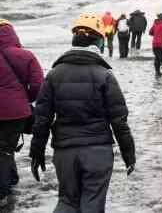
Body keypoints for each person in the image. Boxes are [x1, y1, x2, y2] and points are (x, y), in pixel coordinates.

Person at [29, 13, 136, 213]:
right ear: (98, 41)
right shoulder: (105, 75)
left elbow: (42, 119)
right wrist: (129, 154)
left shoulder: (54, 74)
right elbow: (119, 120)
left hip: (64, 152)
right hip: (98, 151)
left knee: (67, 202)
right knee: (92, 205)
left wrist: (36, 152)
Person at [0, 19, 43, 206]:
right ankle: (4, 190)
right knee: (6, 149)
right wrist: (26, 99)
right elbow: (38, 85)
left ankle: (9, 183)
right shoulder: (25, 55)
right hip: (15, 112)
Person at [149, 13, 162, 77]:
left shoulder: (155, 24)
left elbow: (150, 32)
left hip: (155, 44)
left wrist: (156, 34)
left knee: (157, 58)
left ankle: (157, 72)